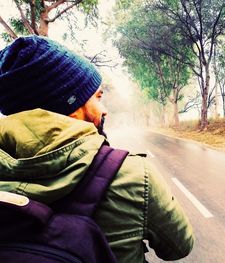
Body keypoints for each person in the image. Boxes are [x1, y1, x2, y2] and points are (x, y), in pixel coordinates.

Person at [0, 35, 194, 262]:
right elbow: (180, 247)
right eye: (97, 97)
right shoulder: (133, 175)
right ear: (70, 105)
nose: (104, 110)